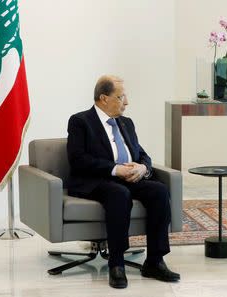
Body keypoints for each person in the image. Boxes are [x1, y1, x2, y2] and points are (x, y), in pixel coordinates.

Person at [66, 75, 180, 288]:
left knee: (159, 191)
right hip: (96, 180)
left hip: (129, 177)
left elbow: (141, 153)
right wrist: (115, 170)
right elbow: (78, 159)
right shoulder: (80, 121)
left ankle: (155, 261)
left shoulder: (126, 123)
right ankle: (116, 263)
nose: (126, 102)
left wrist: (143, 167)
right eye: (121, 97)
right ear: (104, 98)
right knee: (119, 194)